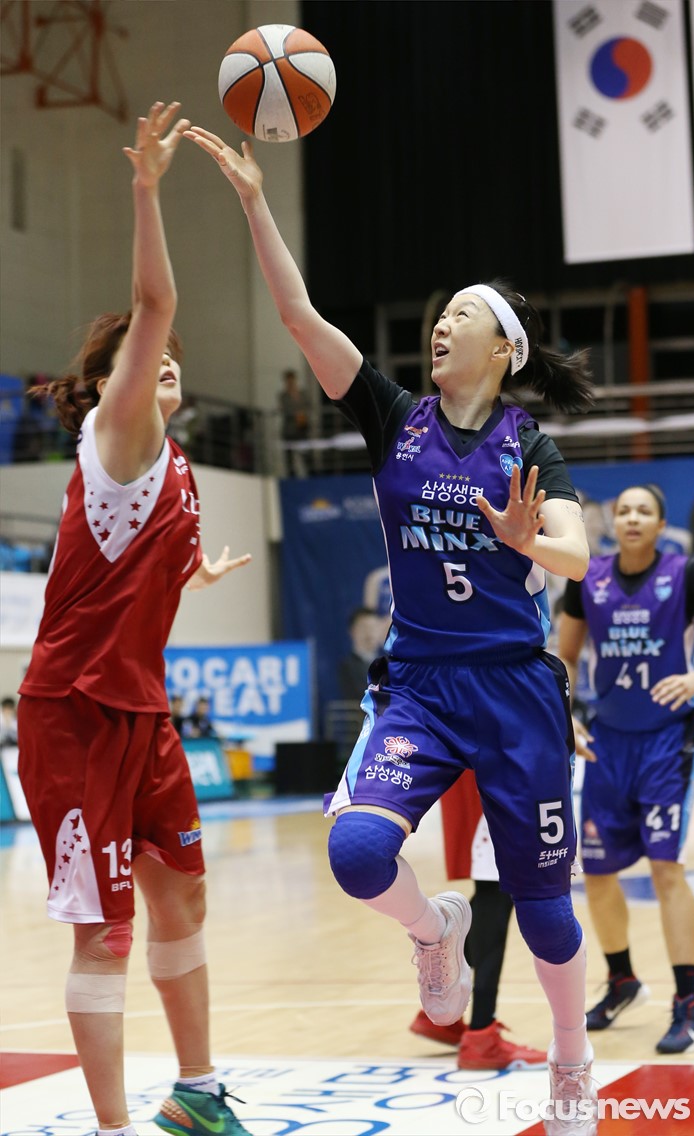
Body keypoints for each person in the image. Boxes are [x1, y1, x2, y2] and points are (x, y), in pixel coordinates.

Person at [186, 126, 599, 1133]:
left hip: (515, 687)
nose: (440, 326)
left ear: (503, 350)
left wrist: (528, 540)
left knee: (545, 908)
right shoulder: (393, 416)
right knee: (360, 853)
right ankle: (432, 930)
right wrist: (253, 199)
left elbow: (578, 556)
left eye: (462, 316)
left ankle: (572, 1059)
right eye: (439, 315)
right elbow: (298, 315)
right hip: (418, 684)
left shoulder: (527, 443)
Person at [17, 103, 252, 1136]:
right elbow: (155, 298)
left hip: (142, 710)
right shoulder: (119, 431)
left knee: (183, 896)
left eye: (165, 354)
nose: (159, 357)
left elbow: (120, 569)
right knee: (104, 933)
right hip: (74, 714)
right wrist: (147, 190)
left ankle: (197, 1093)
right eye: (138, 354)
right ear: (112, 381)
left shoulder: (177, 465)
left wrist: (188, 578)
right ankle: (114, 1128)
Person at [557, 484, 694, 1055]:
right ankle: (622, 981)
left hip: (667, 742)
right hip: (607, 743)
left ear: (662, 525)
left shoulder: (687, 574)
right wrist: (565, 715)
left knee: (666, 869)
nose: (633, 517)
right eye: (624, 510)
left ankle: (687, 1001)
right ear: (611, 521)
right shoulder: (586, 578)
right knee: (596, 872)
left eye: (644, 511)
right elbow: (566, 657)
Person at [410, 769, 548, 1070]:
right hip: (493, 764)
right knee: (497, 885)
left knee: (496, 885)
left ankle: (442, 1010)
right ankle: (481, 1034)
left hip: (485, 764)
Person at [337, 606, 385, 702]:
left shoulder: (389, 663)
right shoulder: (347, 666)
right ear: (352, 631)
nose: (369, 633)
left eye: (373, 628)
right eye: (364, 628)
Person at [278, 367, 310, 476]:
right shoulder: (283, 396)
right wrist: (297, 414)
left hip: (302, 428)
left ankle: (308, 475)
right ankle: (292, 476)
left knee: (305, 454)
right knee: (289, 458)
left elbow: (308, 406)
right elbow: (286, 410)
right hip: (289, 430)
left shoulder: (302, 394)